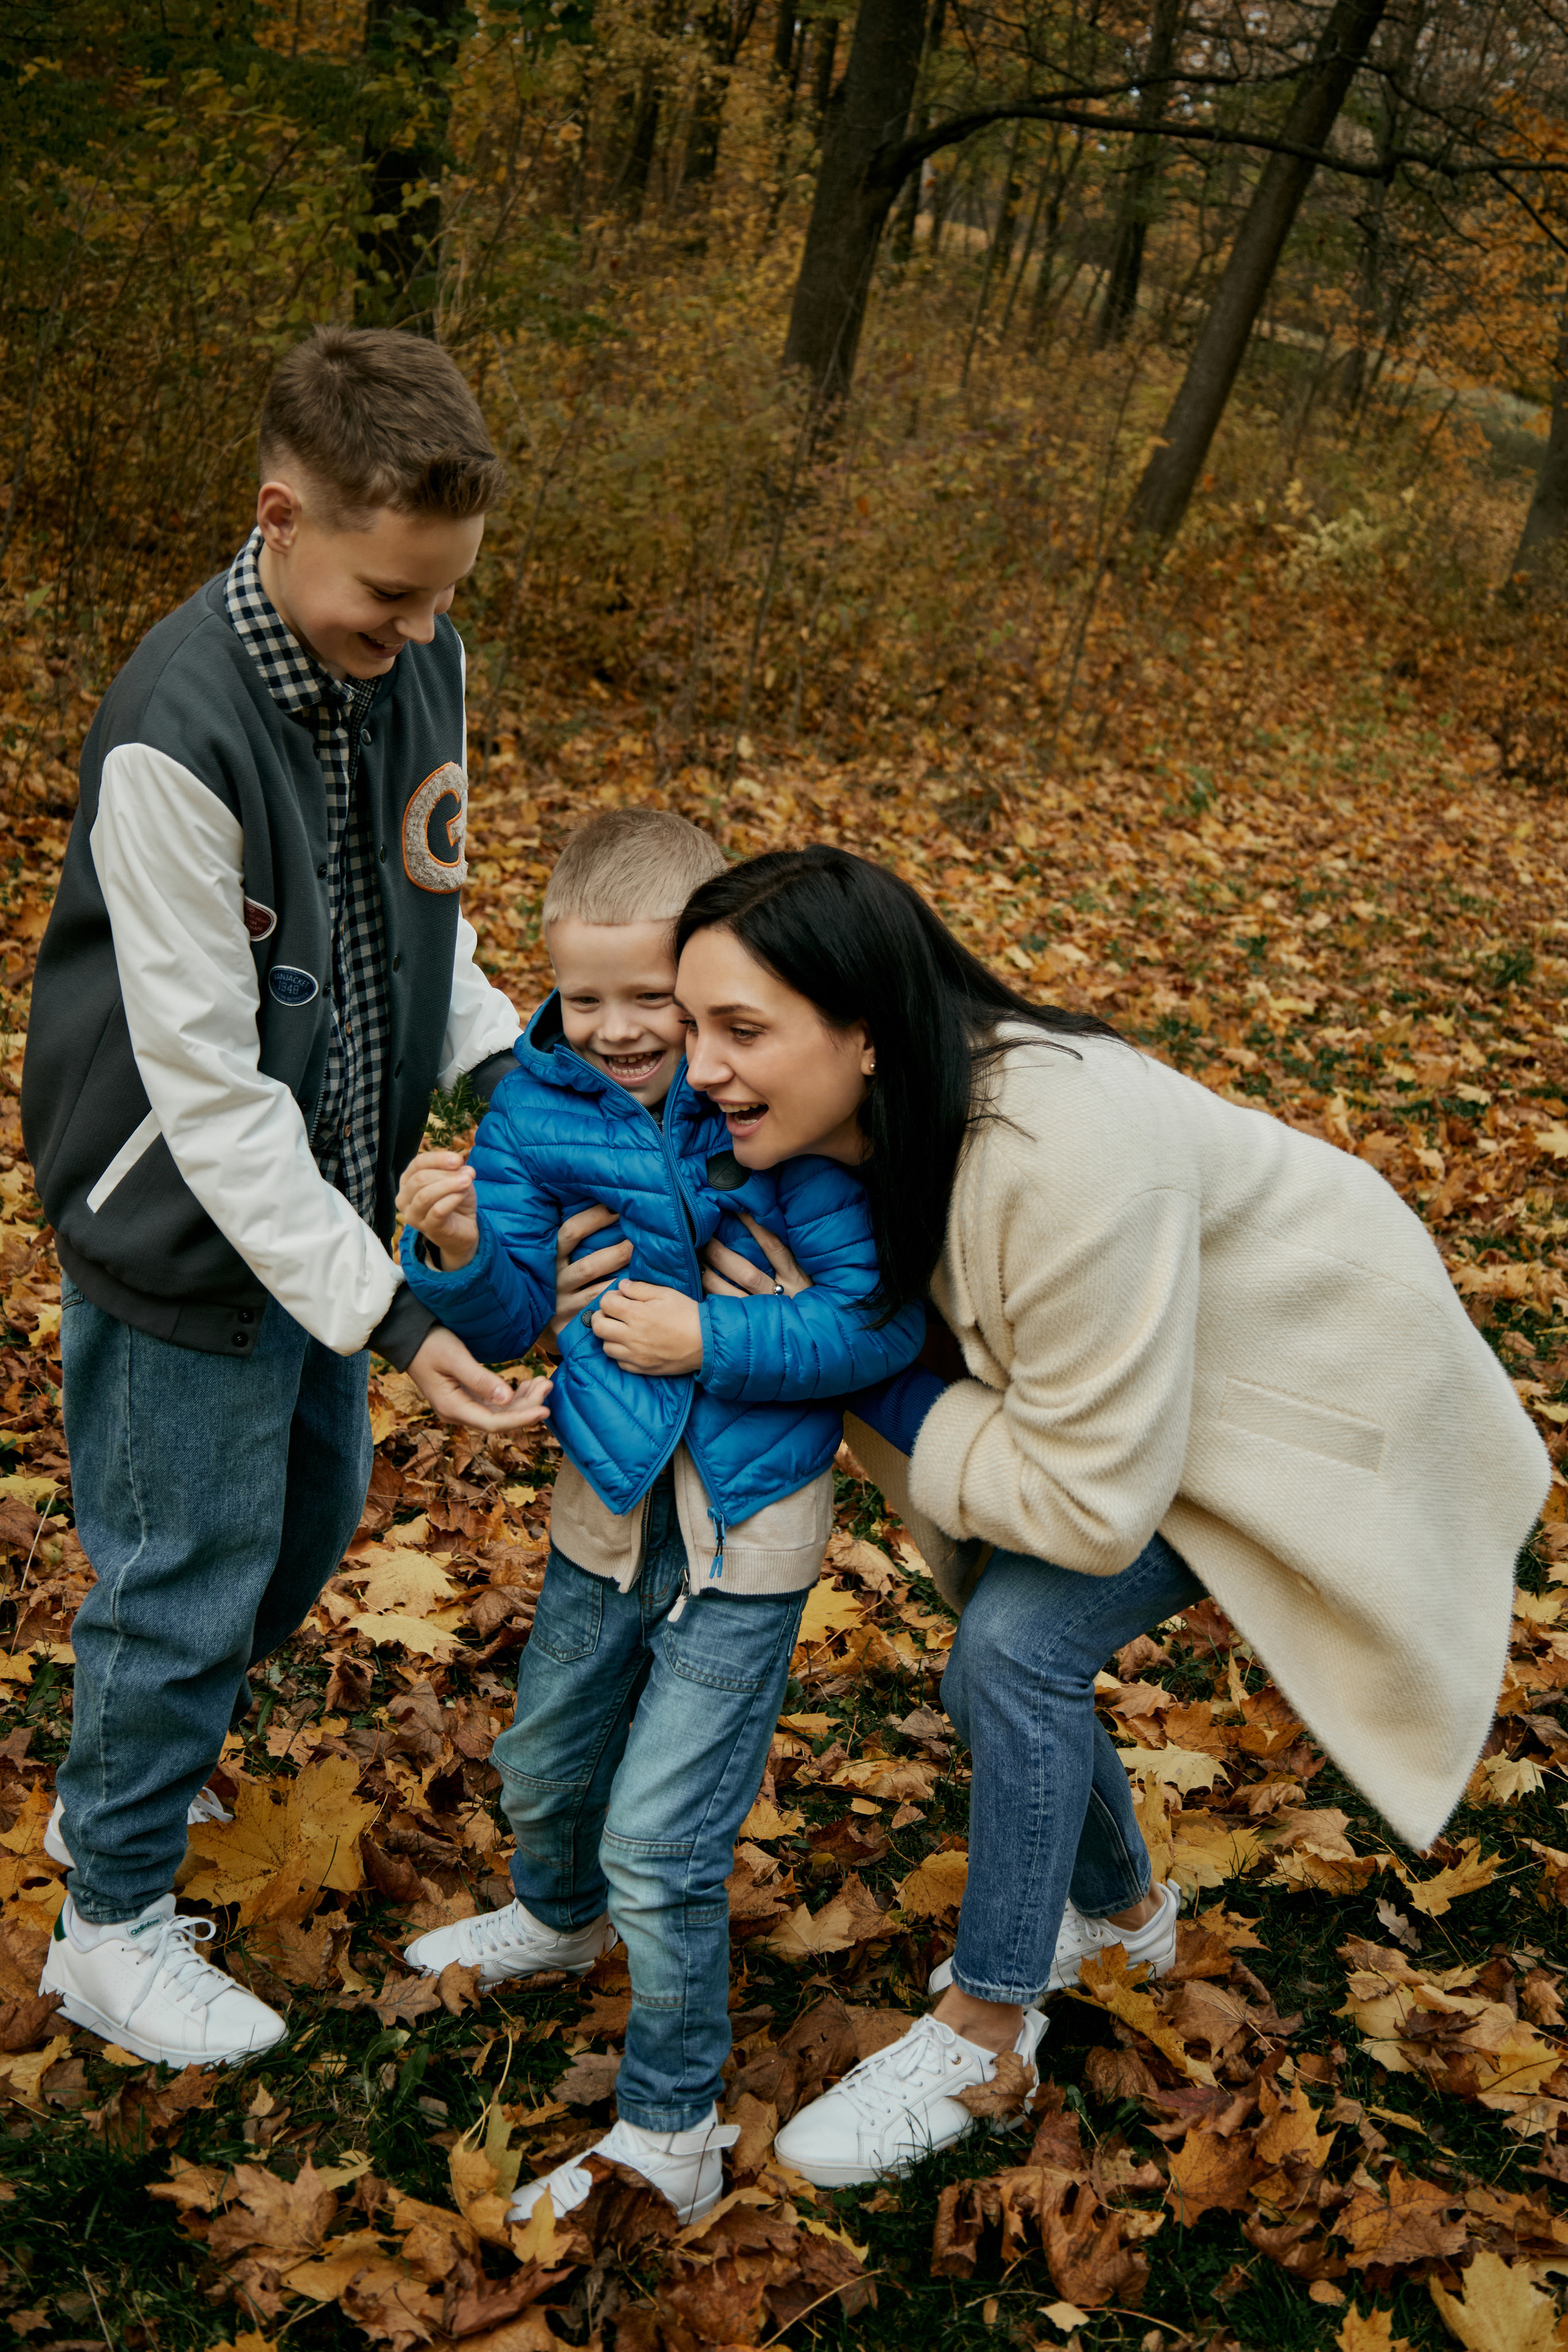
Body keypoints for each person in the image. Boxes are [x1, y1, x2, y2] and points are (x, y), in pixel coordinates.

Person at [647, 844, 1550, 2189]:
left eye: (740, 1031)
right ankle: (1124, 1916)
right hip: (1136, 1393)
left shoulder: (1061, 1147)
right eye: (689, 1027)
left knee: (1013, 1651)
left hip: (1307, 1395)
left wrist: (864, 1366)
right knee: (1007, 1660)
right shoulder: (847, 1121)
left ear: (868, 1033)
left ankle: (986, 2026)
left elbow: (1081, 1501)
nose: (699, 1067)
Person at [21, 326, 551, 2070]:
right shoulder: (173, 731)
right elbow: (207, 1092)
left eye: (439, 600)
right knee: (184, 1571)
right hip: (184, 1215)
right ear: (280, 516)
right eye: (388, 596)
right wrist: (399, 1316)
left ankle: (117, 1774)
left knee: (301, 1534)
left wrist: (523, 1081)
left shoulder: (427, 661)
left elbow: (429, 920)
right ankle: (107, 1925)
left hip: (327, 1211)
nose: (413, 633)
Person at [394, 808, 930, 2225]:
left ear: (707, 985)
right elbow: (515, 1313)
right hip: (603, 1501)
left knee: (663, 1839)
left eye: (657, 999)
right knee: (546, 1757)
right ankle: (559, 1920)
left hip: (745, 1532)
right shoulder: (529, 1111)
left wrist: (714, 1343)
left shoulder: (768, 1113)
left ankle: (672, 2128)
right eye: (586, 1000)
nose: (625, 1031)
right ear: (547, 990)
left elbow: (869, 1320)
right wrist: (450, 1254)